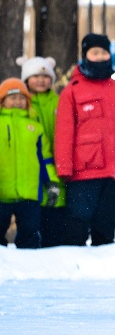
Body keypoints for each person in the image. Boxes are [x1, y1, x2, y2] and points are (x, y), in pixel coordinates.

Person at [55, 33, 115, 246]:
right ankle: (73, 264)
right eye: (94, 52)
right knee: (77, 221)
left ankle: (102, 266)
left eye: (104, 52)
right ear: (85, 55)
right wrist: (64, 168)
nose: (100, 56)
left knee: (107, 223)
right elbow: (64, 132)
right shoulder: (72, 91)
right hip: (84, 170)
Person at [0, 79, 61, 248]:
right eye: (12, 98)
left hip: (30, 192)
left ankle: (29, 265)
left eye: (22, 98)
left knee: (30, 233)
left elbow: (45, 158)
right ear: (3, 101)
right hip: (2, 192)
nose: (17, 102)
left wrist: (51, 182)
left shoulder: (35, 127)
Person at [17, 56, 67, 246]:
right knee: (32, 216)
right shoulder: (22, 105)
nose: (41, 80)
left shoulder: (59, 101)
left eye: (45, 76)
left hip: (56, 163)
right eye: (35, 76)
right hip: (30, 168)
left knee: (56, 211)